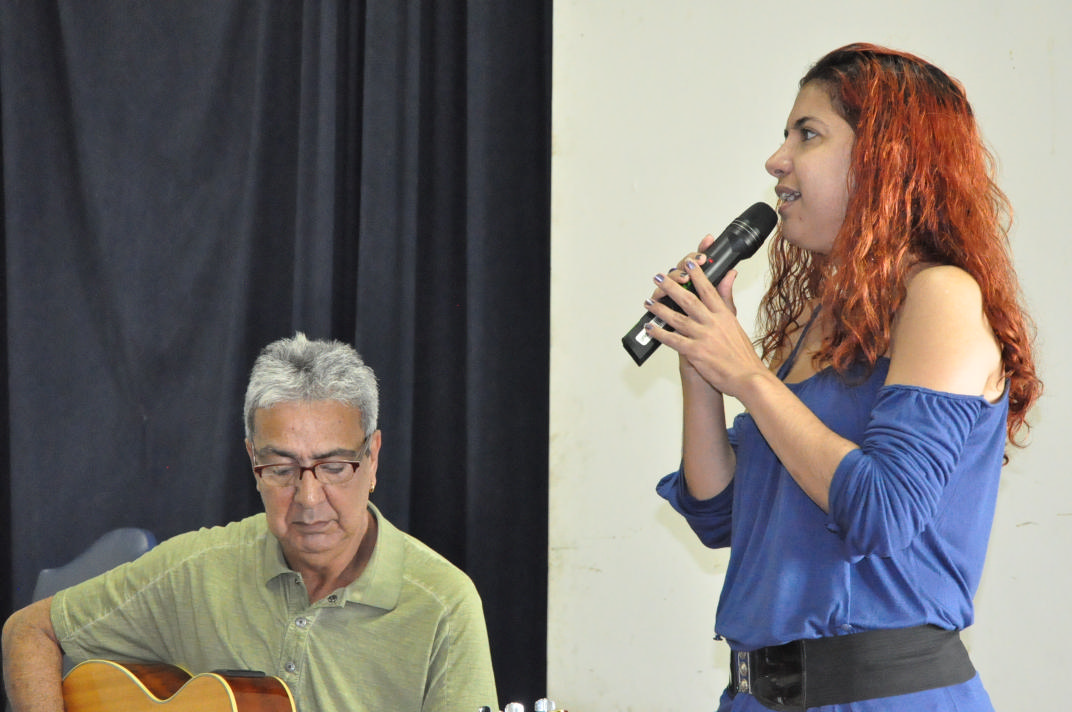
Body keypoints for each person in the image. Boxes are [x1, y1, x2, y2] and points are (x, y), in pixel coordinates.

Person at [643, 43, 1041, 711]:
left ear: (886, 158)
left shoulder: (940, 297)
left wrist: (748, 374)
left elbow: (884, 510)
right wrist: (702, 366)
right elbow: (719, 516)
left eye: (808, 134)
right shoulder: (818, 317)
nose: (777, 160)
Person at [2, 333, 499, 712]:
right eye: (280, 468)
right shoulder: (198, 569)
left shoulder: (443, 607)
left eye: (333, 467)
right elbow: (29, 632)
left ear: (372, 459)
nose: (308, 498)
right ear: (251, 460)